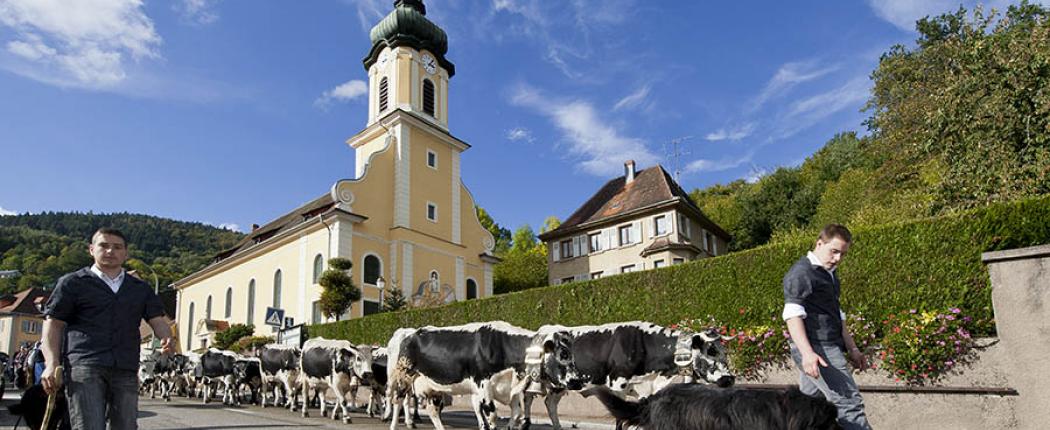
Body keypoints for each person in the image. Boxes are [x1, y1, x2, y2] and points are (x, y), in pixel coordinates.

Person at [40, 228, 173, 430]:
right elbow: (53, 323)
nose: (110, 251)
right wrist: (51, 363)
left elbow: (158, 320)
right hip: (84, 365)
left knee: (126, 426)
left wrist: (167, 337)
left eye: (117, 247)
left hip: (126, 367)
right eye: (104, 245)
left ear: (126, 254)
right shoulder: (72, 283)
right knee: (89, 426)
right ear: (91, 249)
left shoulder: (140, 289)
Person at [782, 224, 872, 430]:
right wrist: (807, 354)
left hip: (825, 346)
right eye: (834, 251)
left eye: (843, 254)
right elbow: (792, 315)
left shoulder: (829, 274)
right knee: (850, 404)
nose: (838, 258)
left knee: (807, 408)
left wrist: (853, 349)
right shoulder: (801, 273)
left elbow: (837, 316)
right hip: (818, 349)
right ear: (819, 243)